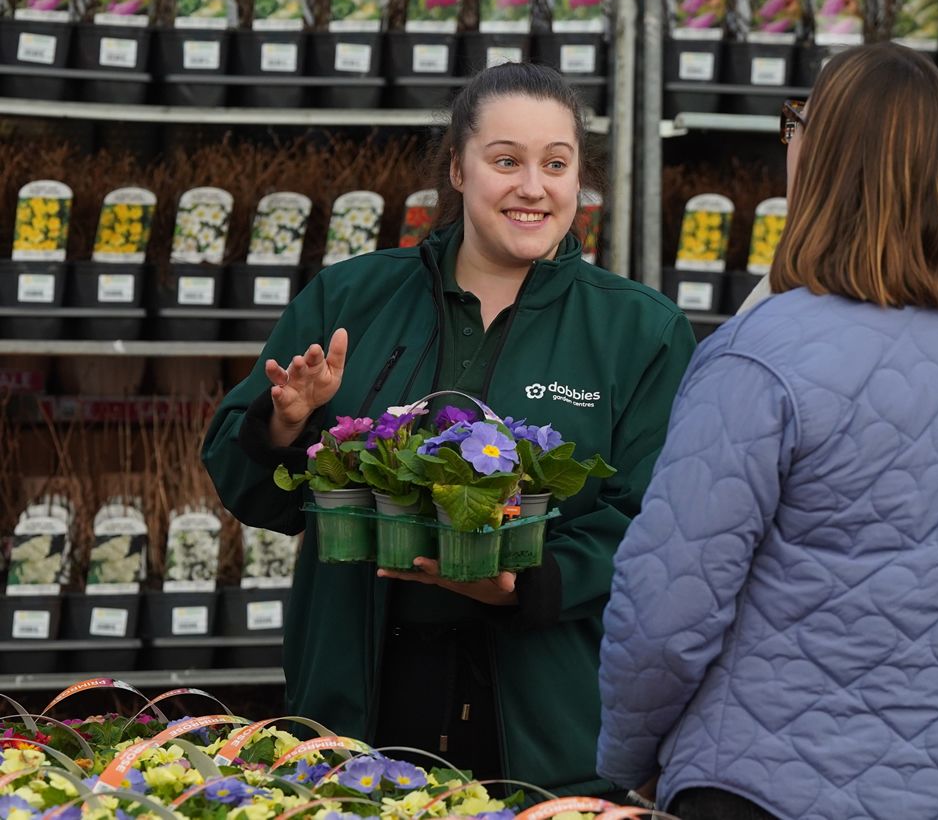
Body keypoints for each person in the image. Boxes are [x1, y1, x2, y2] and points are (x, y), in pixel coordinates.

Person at [596, 42, 938, 819]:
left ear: (821, 158)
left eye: (799, 125)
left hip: (774, 790)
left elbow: (665, 615)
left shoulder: (760, 359)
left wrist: (630, 759)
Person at [203, 61, 696, 797]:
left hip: (544, 720)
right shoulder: (354, 296)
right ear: (459, 170)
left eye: (555, 165)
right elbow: (251, 491)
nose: (533, 187)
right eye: (506, 161)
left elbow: (659, 519)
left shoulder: (638, 330)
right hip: (361, 709)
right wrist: (283, 424)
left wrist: (528, 582)